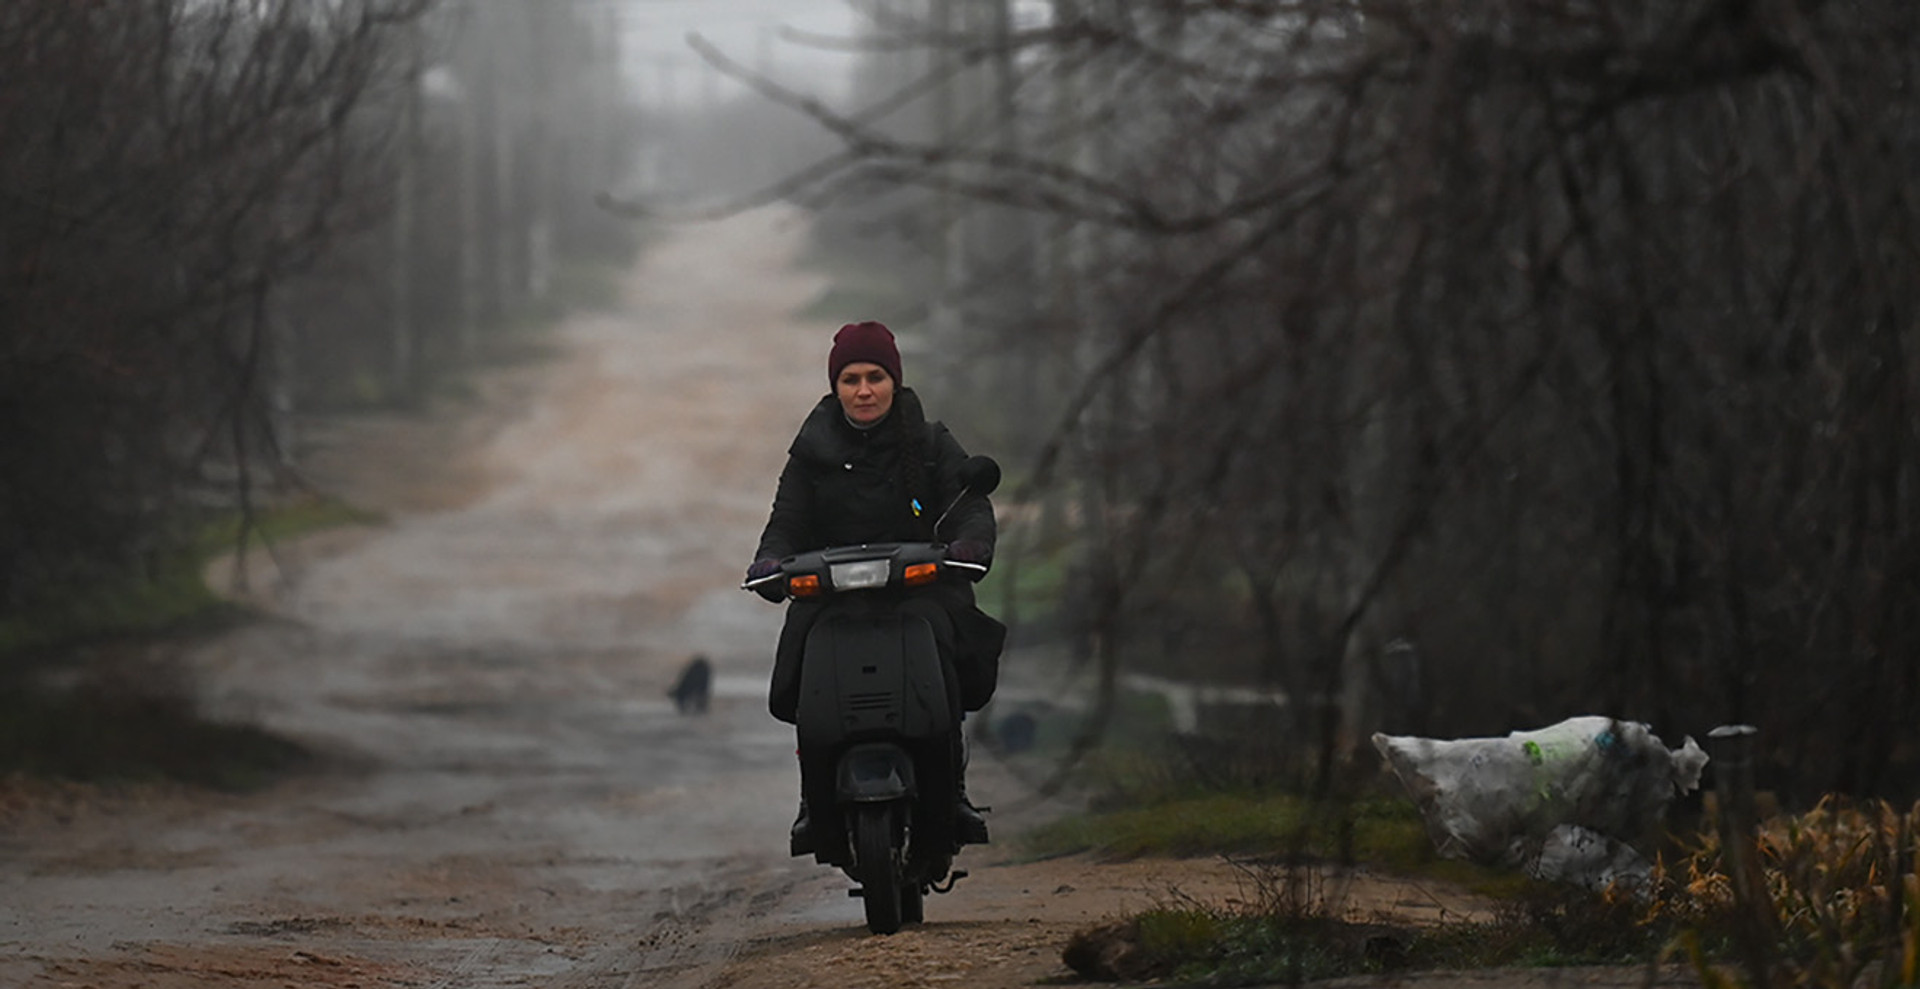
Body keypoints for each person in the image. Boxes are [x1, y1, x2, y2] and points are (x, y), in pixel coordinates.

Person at [746, 320, 1005, 852]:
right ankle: (811, 793)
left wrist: (970, 546)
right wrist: (769, 560)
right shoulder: (810, 452)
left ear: (895, 381)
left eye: (875, 377)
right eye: (851, 379)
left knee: (946, 648)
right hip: (830, 599)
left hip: (921, 591)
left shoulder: (931, 443)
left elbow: (969, 505)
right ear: (835, 386)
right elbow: (786, 521)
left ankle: (950, 786)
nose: (863, 390)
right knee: (802, 664)